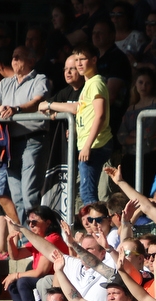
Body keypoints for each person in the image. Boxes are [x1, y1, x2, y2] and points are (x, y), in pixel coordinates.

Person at [0, 46, 51, 219]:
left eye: (18, 57)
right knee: (17, 198)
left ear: (31, 61)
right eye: (13, 57)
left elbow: (37, 102)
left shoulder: (40, 79)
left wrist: (17, 109)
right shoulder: (5, 83)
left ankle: (34, 239)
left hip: (33, 140)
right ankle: (24, 240)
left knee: (29, 195)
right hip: (10, 143)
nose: (14, 61)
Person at [41, 44, 113, 205]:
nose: (79, 63)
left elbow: (100, 116)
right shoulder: (89, 84)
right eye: (77, 60)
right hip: (88, 142)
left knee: (88, 195)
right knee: (86, 193)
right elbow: (84, 112)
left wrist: (87, 145)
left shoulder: (95, 83)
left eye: (83, 59)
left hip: (94, 144)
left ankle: (96, 227)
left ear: (94, 60)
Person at [2, 206, 69, 301]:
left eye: (34, 222)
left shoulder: (52, 239)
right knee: (12, 285)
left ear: (48, 223)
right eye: (29, 222)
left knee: (23, 282)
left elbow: (40, 272)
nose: (31, 225)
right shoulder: (38, 239)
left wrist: (16, 275)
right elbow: (16, 256)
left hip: (55, 278)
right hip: (44, 278)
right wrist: (9, 241)